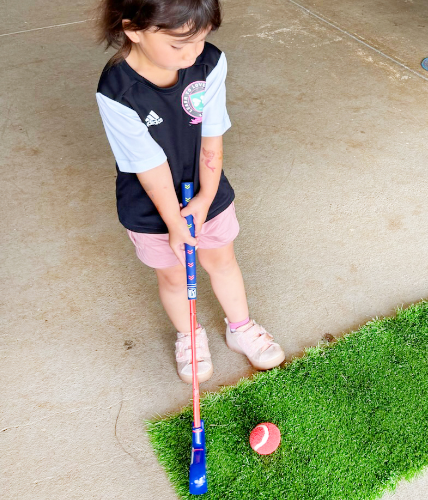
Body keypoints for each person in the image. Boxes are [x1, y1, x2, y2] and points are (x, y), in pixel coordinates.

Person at [95, 0, 284, 383]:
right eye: (178, 45)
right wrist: (175, 223)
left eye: (200, 40)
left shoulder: (209, 64)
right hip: (150, 204)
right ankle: (190, 335)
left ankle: (240, 327)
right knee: (174, 277)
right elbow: (150, 168)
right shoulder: (116, 91)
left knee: (221, 260)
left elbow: (211, 137)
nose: (192, 53)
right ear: (133, 29)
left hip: (204, 188)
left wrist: (204, 198)